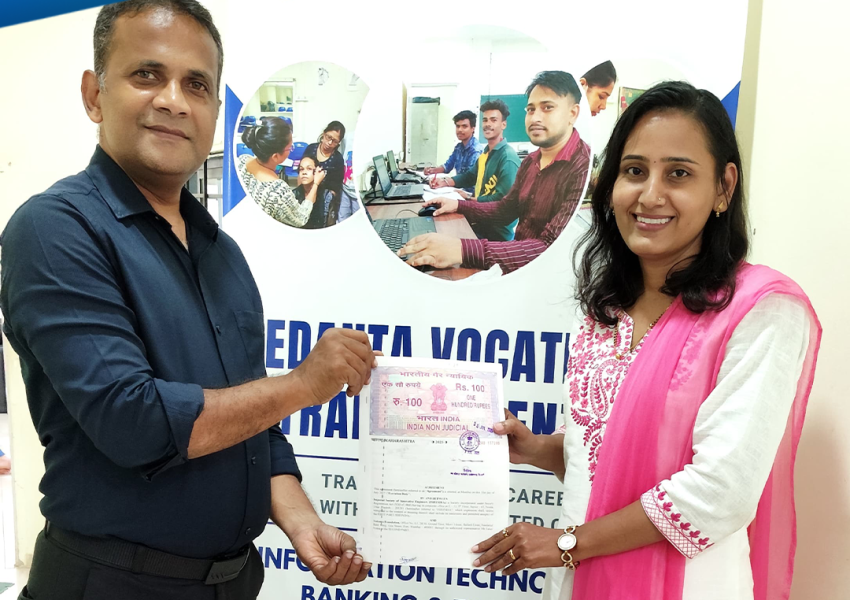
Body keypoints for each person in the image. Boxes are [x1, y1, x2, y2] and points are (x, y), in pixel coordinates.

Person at [0, 2, 376, 598]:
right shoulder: (57, 229)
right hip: (113, 584)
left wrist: (300, 520)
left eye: (196, 85)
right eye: (147, 75)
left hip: (232, 581)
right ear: (95, 95)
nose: (174, 100)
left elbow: (253, 419)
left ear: (215, 113)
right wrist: (305, 385)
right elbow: (134, 422)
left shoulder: (221, 252)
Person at [470, 82, 821, 600]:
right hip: (579, 579)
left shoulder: (761, 310)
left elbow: (720, 492)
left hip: (685, 585)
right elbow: (602, 463)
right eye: (634, 171)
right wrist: (538, 449)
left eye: (678, 173)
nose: (650, 195)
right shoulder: (604, 310)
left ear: (723, 187)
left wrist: (566, 543)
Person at [399, 71, 590, 275]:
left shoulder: (582, 166)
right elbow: (505, 210)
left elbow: (550, 248)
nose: (535, 117)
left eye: (547, 107)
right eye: (530, 109)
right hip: (515, 262)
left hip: (542, 274)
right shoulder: (530, 161)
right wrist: (458, 205)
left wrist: (461, 249)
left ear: (573, 113)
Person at [431, 99, 521, 241]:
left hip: (497, 234)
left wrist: (468, 200)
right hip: (480, 221)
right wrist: (445, 182)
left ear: (503, 124)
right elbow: (470, 176)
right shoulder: (486, 153)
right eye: (485, 120)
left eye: (493, 120)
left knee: (444, 238)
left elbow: (502, 200)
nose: (488, 124)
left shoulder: (507, 157)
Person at [239, 119, 322, 228]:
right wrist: (316, 183)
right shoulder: (277, 191)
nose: (291, 150)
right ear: (275, 156)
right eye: (290, 148)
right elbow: (301, 218)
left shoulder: (242, 160)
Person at [423, 110, 484, 194]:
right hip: (458, 189)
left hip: (470, 194)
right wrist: (432, 171)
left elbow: (468, 178)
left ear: (472, 129)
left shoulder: (475, 151)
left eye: (464, 126)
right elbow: (447, 166)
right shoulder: (459, 147)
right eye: (458, 126)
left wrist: (444, 182)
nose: (460, 130)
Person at [303, 121, 346, 200]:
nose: (330, 143)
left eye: (335, 141)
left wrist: (327, 202)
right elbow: (301, 172)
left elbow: (336, 186)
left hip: (325, 198)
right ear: (324, 133)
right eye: (329, 137)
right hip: (306, 193)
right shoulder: (310, 149)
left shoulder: (338, 159)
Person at [298, 155, 336, 229]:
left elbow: (330, 227)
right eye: (301, 169)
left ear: (317, 172)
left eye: (309, 169)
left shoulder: (327, 195)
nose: (304, 172)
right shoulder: (293, 194)